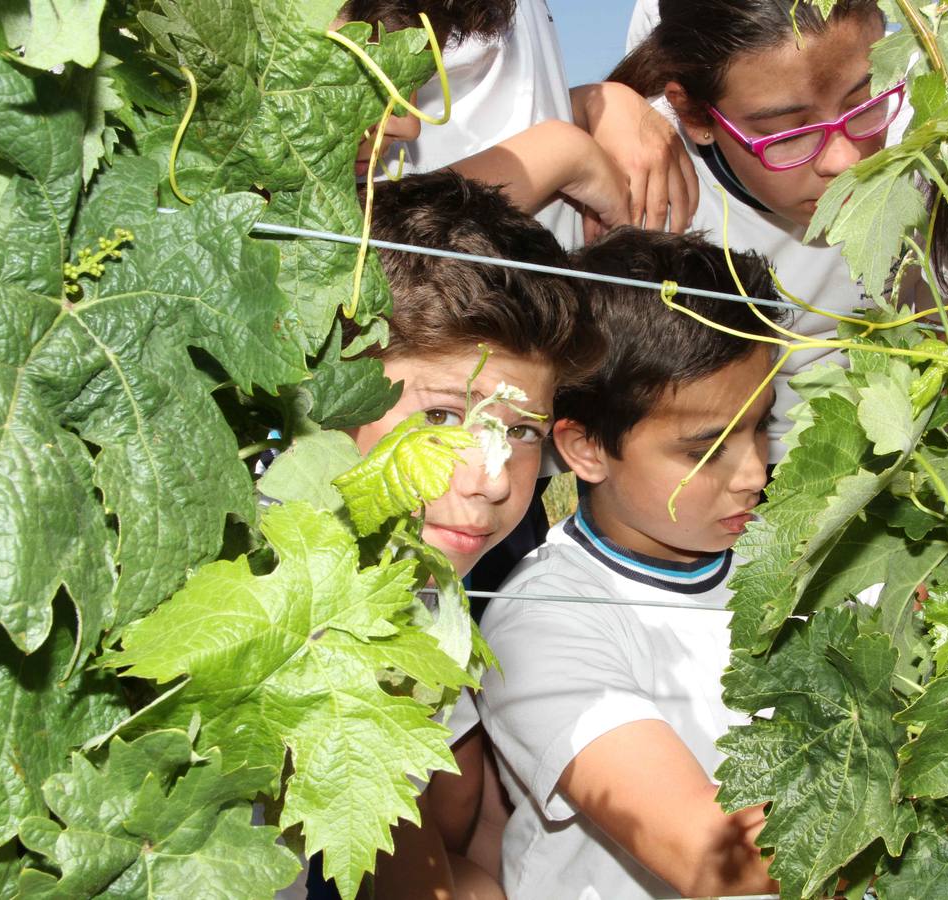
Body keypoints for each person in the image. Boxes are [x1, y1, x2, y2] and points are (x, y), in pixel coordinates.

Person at [475, 228, 785, 899]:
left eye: (762, 424)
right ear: (585, 449)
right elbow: (716, 862)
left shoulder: (816, 560)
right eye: (707, 450)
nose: (754, 473)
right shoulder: (542, 623)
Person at [335, 170, 599, 899]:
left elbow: (466, 850)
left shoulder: (434, 596)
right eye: (444, 418)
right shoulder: (293, 597)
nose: (489, 478)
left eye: (520, 431)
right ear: (331, 387)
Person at [609, 0, 906, 460]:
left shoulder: (938, 134)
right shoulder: (649, 193)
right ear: (694, 116)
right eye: (787, 135)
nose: (844, 160)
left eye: (867, 101)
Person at [345, 0, 699, 248]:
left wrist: (588, 104)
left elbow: (494, 102)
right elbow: (346, 243)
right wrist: (561, 156)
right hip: (444, 316)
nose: (408, 124)